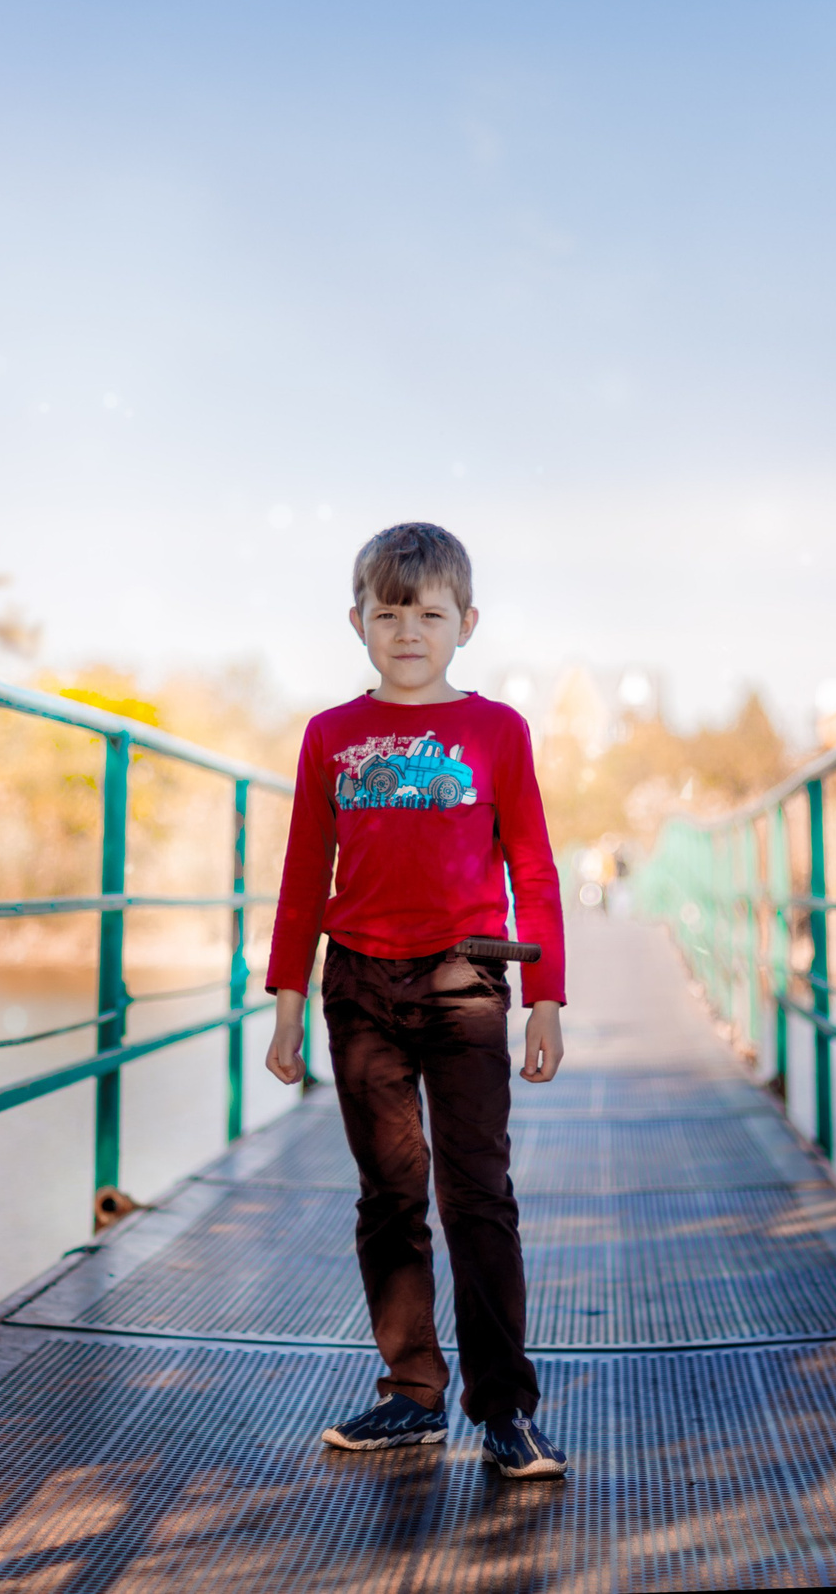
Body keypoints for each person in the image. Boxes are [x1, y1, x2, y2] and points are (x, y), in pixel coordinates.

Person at [264, 520, 570, 1480]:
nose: (409, 630)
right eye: (388, 611)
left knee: (477, 1193)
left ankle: (505, 1409)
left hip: (468, 980)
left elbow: (536, 866)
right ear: (357, 620)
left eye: (430, 612)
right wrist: (284, 997)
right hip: (358, 982)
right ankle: (411, 1394)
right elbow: (303, 875)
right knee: (389, 1196)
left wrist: (546, 997)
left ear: (466, 622)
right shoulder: (329, 736)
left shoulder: (498, 732)